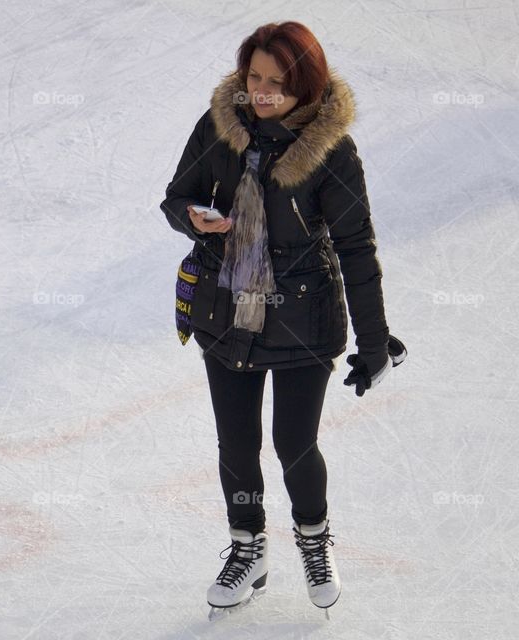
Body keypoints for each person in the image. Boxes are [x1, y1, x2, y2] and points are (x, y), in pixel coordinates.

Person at [160, 21, 407, 617]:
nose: (262, 93)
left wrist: (373, 343)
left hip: (304, 317)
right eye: (254, 78)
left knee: (293, 443)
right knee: (237, 445)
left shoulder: (331, 152)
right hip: (225, 310)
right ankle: (248, 548)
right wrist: (194, 216)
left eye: (278, 83)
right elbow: (175, 196)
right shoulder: (219, 127)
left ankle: (314, 541)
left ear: (309, 87)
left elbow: (356, 248)